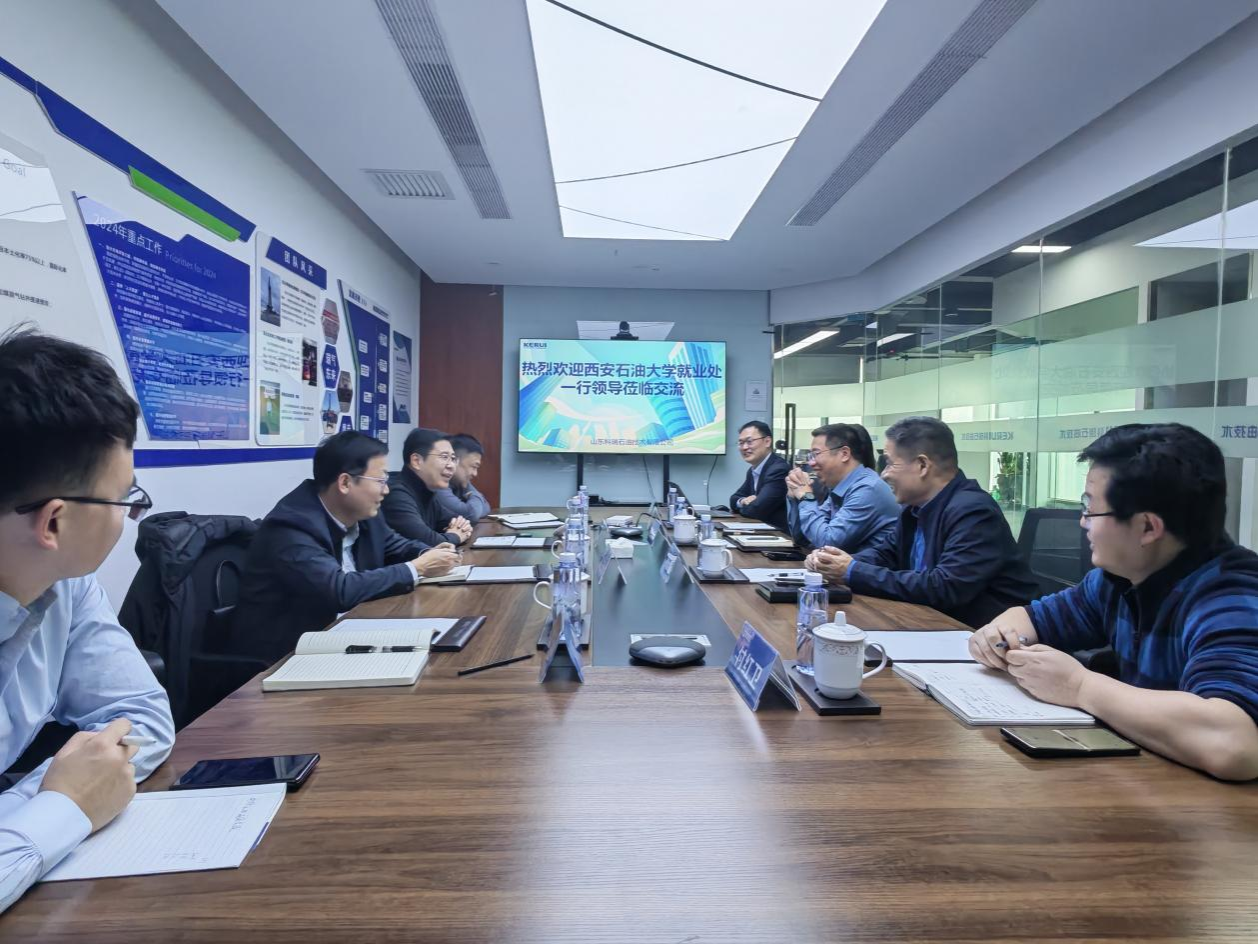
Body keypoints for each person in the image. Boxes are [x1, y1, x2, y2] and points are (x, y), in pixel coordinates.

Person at [970, 423, 1258, 781]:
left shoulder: (1233, 598)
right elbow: (1030, 618)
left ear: (1148, 528)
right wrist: (1000, 637)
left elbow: (1233, 743)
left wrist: (1079, 687)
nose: (1082, 522)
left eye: (1090, 509)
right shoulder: (1117, 579)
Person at [0, 326, 174, 912]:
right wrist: (63, 805)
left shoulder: (67, 584)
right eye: (126, 499)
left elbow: (142, 715)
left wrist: (49, 797)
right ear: (54, 522)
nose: (129, 516)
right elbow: (78, 791)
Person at [231, 431, 460, 663]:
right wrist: (417, 567)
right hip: (286, 655)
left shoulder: (364, 514)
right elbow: (339, 590)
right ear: (345, 483)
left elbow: (395, 546)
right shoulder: (291, 526)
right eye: (380, 481)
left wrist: (428, 553)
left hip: (345, 633)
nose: (386, 490)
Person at [806, 416, 1036, 627]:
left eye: (890, 463)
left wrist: (852, 571)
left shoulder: (973, 511)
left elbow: (944, 587)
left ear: (922, 465)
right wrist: (833, 561)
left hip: (983, 636)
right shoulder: (915, 509)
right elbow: (886, 554)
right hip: (931, 624)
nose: (884, 474)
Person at [785, 423, 898, 554]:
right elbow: (804, 539)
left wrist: (806, 497)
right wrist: (795, 496)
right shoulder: (840, 487)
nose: (811, 463)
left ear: (844, 454)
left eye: (816, 454)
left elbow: (827, 542)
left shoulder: (868, 489)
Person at [382, 428, 474, 546]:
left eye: (453, 458)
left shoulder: (426, 490)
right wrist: (455, 536)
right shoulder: (396, 494)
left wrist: (458, 530)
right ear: (416, 461)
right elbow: (429, 541)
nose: (451, 465)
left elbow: (458, 521)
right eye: (444, 457)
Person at [728, 420, 789, 532]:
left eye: (749, 441)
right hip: (759, 531)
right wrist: (743, 501)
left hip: (778, 536)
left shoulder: (779, 469)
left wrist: (748, 506)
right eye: (741, 443)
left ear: (767, 441)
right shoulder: (754, 470)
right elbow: (733, 499)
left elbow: (756, 510)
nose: (744, 447)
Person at [434, 433, 490, 524]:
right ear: (454, 460)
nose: (475, 474)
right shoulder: (437, 484)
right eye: (473, 466)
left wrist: (473, 498)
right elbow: (471, 515)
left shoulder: (460, 482)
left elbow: (486, 506)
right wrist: (474, 496)